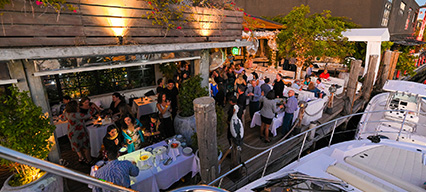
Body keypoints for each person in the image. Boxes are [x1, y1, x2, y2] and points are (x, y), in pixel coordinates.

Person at [63, 100, 94, 165]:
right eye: (77, 105)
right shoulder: (76, 115)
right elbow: (88, 115)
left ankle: (81, 158)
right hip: (79, 133)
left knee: (77, 146)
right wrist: (90, 108)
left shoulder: (67, 113)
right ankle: (89, 160)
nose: (78, 106)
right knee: (86, 146)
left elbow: (63, 118)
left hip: (71, 133)